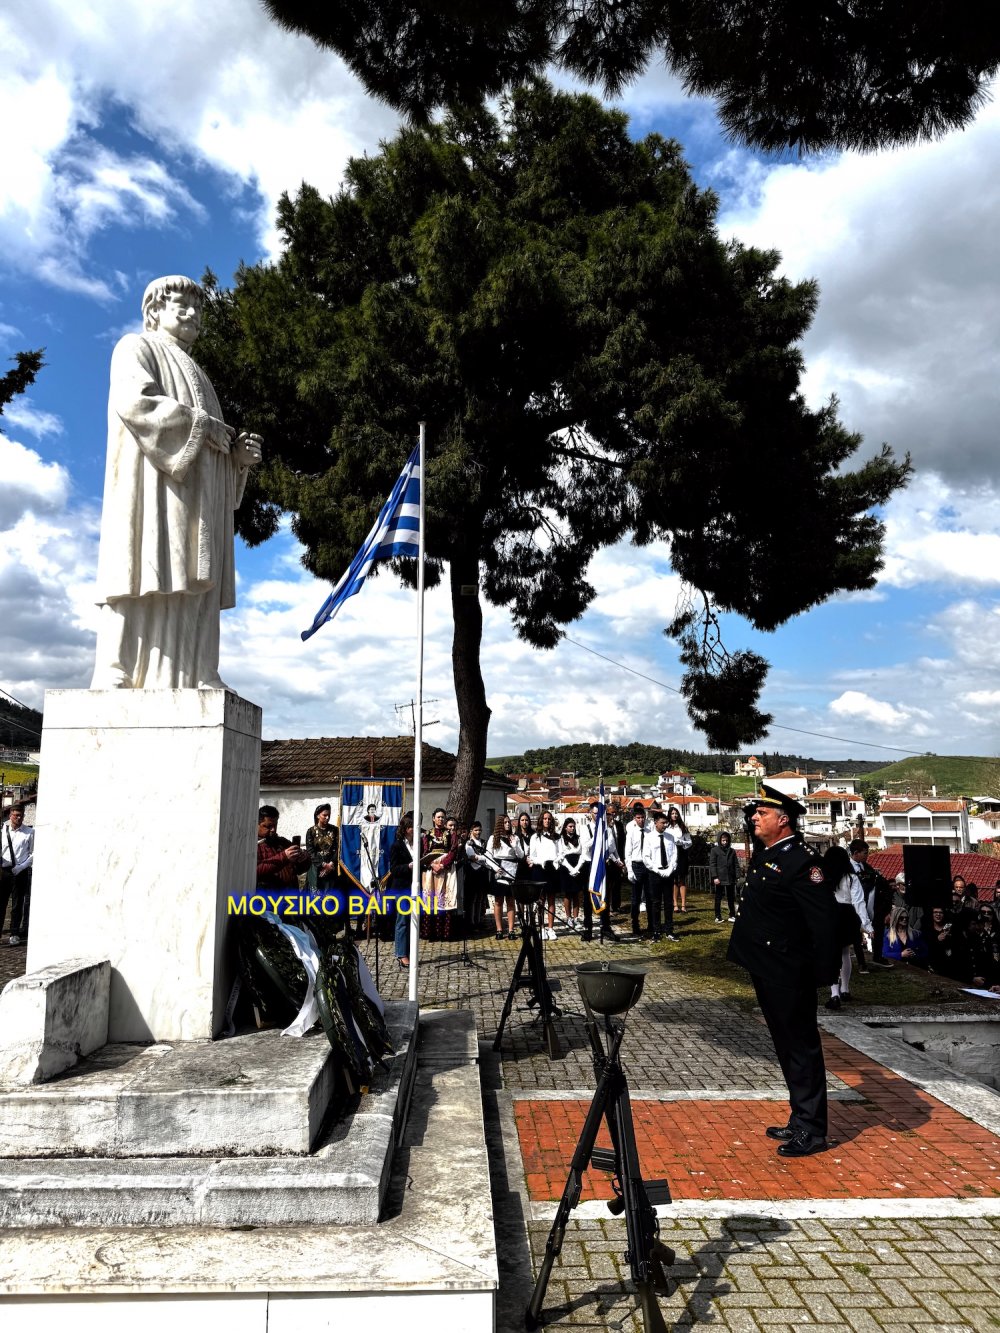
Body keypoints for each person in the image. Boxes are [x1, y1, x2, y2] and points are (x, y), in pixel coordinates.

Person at [90, 275, 262, 689]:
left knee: (190, 576)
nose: (192, 314)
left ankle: (198, 670)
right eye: (181, 305)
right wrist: (202, 428)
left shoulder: (201, 377)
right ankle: (118, 668)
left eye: (198, 308)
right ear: (154, 312)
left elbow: (212, 445)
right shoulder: (136, 347)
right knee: (139, 570)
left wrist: (236, 460)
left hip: (196, 501)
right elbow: (136, 403)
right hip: (150, 490)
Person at [727, 785, 839, 1158]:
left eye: (762, 812)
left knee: (801, 1046)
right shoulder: (771, 854)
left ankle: (814, 1129)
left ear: (783, 819)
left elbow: (823, 923)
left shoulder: (803, 862)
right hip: (768, 965)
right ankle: (800, 1116)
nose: (755, 817)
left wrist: (824, 973)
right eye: (755, 812)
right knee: (785, 1044)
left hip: (790, 970)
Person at [823, 844, 872, 1011]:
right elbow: (859, 902)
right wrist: (866, 924)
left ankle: (834, 993)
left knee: (831, 953)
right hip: (848, 915)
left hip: (830, 914)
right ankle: (845, 989)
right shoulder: (852, 877)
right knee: (845, 952)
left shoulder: (823, 877)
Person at [850, 840, 893, 968]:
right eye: (865, 853)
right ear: (856, 853)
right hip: (855, 905)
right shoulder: (848, 868)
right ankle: (861, 962)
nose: (866, 855)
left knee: (877, 929)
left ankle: (877, 956)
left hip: (871, 904)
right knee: (856, 933)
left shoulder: (867, 867)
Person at [421, 807, 458, 941]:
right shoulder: (427, 834)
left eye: (443, 817)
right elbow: (424, 852)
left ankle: (445, 933)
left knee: (445, 901)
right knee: (431, 900)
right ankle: (430, 933)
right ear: (433, 818)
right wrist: (432, 864)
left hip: (446, 869)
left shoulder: (451, 834)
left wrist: (443, 865)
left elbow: (453, 851)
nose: (441, 819)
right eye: (438, 817)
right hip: (431, 869)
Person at [642, 808, 678, 942]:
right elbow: (646, 857)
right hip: (655, 873)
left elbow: (674, 854)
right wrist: (657, 870)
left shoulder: (670, 837)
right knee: (655, 903)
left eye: (666, 823)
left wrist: (670, 869)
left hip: (668, 872)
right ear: (656, 822)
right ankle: (656, 930)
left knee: (669, 903)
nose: (665, 825)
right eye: (663, 823)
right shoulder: (649, 838)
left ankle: (669, 930)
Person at [0, 802, 34, 947]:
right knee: (1, 903)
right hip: (4, 871)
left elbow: (33, 853)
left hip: (20, 871)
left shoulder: (29, 833)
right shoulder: (2, 831)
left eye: (20, 815)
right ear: (10, 815)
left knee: (17, 904)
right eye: (15, 815)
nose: (18, 818)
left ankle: (14, 933)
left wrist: (21, 867)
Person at [256, 805, 309, 890]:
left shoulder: (283, 842)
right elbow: (257, 870)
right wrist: (284, 856)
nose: (273, 829)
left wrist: (303, 859)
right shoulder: (254, 846)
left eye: (275, 825)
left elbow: (299, 870)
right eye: (268, 826)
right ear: (257, 824)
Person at [488, 814, 522, 940]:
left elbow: (521, 855)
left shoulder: (515, 838)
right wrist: (495, 867)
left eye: (509, 822)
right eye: (505, 822)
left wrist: (515, 846)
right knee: (498, 901)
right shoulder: (493, 839)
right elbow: (488, 856)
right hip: (499, 870)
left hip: (511, 870)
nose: (508, 824)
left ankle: (511, 930)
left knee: (510, 901)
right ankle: (499, 929)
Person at [530, 809, 562, 941]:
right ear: (541, 820)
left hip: (552, 869)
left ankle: (551, 928)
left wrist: (556, 861)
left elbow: (561, 853)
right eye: (545, 819)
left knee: (551, 900)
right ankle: (542, 928)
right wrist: (541, 861)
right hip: (540, 869)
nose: (547, 821)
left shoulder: (556, 836)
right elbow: (532, 856)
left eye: (549, 819)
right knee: (541, 901)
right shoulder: (535, 836)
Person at [388, 815, 416, 968]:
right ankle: (401, 954)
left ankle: (410, 951)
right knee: (402, 921)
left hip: (414, 887)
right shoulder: (397, 846)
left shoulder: (417, 845)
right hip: (401, 888)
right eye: (412, 827)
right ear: (406, 830)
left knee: (413, 920)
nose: (415, 830)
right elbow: (394, 869)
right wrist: (408, 867)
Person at [624, 805, 650, 938]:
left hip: (648, 865)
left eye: (642, 818)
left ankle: (652, 925)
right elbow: (627, 853)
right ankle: (635, 923)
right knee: (635, 897)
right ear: (634, 819)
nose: (640, 820)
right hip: (636, 865)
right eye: (638, 818)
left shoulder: (649, 832)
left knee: (650, 896)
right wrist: (629, 869)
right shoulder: (632, 833)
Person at [559, 817, 585, 932]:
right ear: (565, 827)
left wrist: (577, 868)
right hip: (566, 867)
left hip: (578, 866)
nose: (572, 828)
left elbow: (582, 854)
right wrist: (570, 869)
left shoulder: (579, 839)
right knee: (567, 894)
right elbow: (561, 856)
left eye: (574, 826)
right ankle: (568, 918)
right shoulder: (561, 839)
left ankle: (576, 918)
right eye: (570, 826)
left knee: (576, 894)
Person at [305, 803, 338, 891]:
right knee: (315, 896)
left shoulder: (335, 830)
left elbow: (338, 848)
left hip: (331, 867)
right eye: (324, 815)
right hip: (316, 867)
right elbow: (310, 851)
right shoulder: (311, 831)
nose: (327, 817)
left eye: (329, 815)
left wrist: (330, 864)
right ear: (317, 816)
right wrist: (323, 864)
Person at [666, 807, 693, 914]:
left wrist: (681, 842)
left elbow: (689, 842)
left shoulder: (682, 827)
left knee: (682, 879)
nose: (674, 815)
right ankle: (675, 904)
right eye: (672, 813)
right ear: (669, 815)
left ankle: (683, 904)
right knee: (673, 880)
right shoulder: (666, 827)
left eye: (676, 813)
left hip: (681, 853)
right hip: (670, 854)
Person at [709, 830, 738, 923]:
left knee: (731, 897)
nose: (725, 842)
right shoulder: (714, 850)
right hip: (719, 878)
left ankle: (732, 915)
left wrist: (737, 876)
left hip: (730, 877)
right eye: (723, 840)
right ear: (719, 840)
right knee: (718, 897)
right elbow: (712, 864)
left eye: (726, 840)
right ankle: (718, 916)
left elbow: (736, 864)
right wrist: (715, 877)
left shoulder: (732, 851)